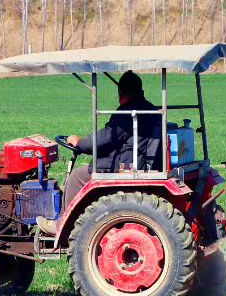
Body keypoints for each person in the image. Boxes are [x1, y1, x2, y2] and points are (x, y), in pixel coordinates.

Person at [37, 71, 162, 233]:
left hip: (127, 163)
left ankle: (62, 225)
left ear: (121, 92)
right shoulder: (150, 109)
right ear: (141, 91)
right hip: (138, 158)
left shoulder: (127, 113)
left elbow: (104, 139)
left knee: (76, 177)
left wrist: (79, 142)